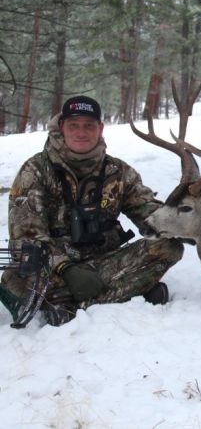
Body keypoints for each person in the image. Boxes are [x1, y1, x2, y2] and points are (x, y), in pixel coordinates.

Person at [0, 96, 183, 326]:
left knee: (168, 247)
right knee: (18, 281)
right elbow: (26, 237)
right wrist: (65, 268)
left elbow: (148, 211)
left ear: (100, 128)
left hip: (104, 261)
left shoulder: (118, 171)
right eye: (73, 125)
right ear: (61, 127)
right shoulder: (35, 171)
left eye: (89, 125)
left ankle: (70, 306)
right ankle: (131, 290)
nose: (81, 133)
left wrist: (180, 225)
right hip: (54, 269)